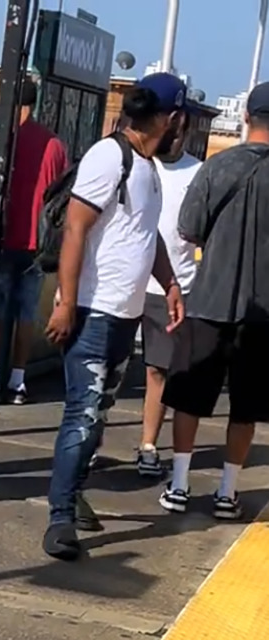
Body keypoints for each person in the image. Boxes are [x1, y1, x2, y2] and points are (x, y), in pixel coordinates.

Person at [42, 72, 187, 561]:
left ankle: (73, 491)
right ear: (169, 119)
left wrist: (168, 283)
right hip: (92, 309)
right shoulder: (111, 156)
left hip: (124, 314)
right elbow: (76, 228)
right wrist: (65, 301)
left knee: (98, 414)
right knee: (81, 413)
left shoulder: (147, 169)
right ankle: (59, 519)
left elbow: (150, 236)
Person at [160, 81, 269, 521]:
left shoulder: (216, 168)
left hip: (208, 301)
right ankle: (227, 492)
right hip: (263, 313)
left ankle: (180, 484)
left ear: (245, 117)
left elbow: (188, 228)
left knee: (189, 397)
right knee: (246, 407)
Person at [0, 79, 68, 403]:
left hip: (2, 237)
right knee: (26, 313)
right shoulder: (53, 144)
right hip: (37, 242)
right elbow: (61, 193)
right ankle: (18, 379)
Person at [137, 114, 201, 477]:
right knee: (107, 371)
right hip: (127, 282)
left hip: (172, 286)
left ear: (186, 131)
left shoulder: (198, 172)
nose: (171, 139)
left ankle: (148, 445)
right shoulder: (137, 164)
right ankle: (90, 446)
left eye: (177, 133)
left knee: (157, 370)